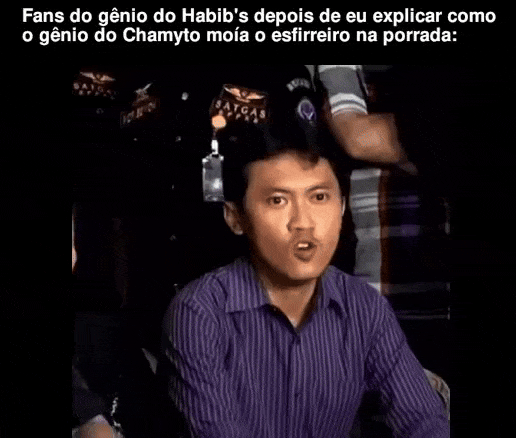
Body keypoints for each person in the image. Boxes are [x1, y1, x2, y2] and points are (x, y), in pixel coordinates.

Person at [161, 65, 450, 437]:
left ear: (343, 207)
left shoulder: (364, 307)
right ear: (236, 218)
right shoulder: (200, 313)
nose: (303, 223)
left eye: (319, 198)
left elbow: (423, 422)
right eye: (278, 201)